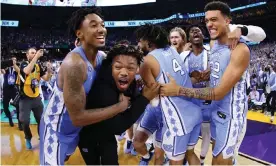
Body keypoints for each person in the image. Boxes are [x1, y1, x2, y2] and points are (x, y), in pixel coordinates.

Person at [160, 1, 250, 165]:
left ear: (228, 20)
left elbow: (219, 93)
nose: (209, 24)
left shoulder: (239, 49)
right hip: (214, 111)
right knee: (216, 157)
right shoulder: (214, 45)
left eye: (214, 19)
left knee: (220, 162)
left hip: (230, 116)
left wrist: (179, 90)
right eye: (207, 20)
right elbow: (216, 73)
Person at [39, 8, 130, 165]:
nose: (101, 29)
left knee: (65, 158)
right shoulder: (74, 64)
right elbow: (78, 117)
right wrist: (120, 107)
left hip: (76, 131)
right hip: (56, 130)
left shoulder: (101, 58)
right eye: (94, 25)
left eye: (102, 25)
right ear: (79, 33)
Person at [78, 44, 160, 165]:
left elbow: (132, 96)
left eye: (130, 68)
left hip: (107, 135)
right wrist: (145, 98)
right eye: (118, 67)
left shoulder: (128, 81)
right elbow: (118, 127)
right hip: (88, 135)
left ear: (137, 68)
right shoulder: (104, 90)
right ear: (110, 67)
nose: (124, 73)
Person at [135, 24, 202, 165]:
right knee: (190, 153)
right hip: (195, 111)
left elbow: (152, 98)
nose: (138, 44)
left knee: (175, 162)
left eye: (139, 41)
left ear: (148, 42)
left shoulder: (147, 62)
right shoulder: (172, 50)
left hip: (178, 120)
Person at [19, 48, 53, 150]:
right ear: (27, 55)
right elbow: (27, 71)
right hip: (25, 99)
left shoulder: (38, 66)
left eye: (35, 53)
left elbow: (46, 78)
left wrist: (49, 71)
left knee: (41, 120)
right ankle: (28, 138)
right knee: (24, 121)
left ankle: (41, 137)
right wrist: (37, 56)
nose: (34, 54)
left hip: (36, 98)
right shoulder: (23, 65)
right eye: (32, 53)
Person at [1, 57, 21, 128]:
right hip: (6, 89)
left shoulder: (17, 68)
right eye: (12, 60)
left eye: (15, 60)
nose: (13, 61)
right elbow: (2, 70)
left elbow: (19, 71)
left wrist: (14, 64)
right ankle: (10, 118)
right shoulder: (6, 68)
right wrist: (6, 64)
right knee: (5, 107)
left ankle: (19, 122)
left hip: (14, 89)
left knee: (18, 106)